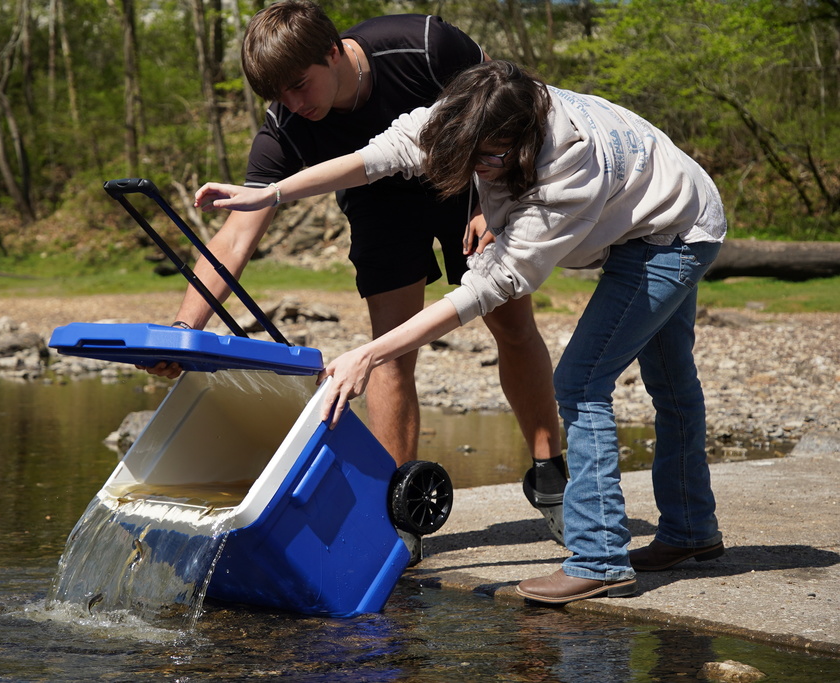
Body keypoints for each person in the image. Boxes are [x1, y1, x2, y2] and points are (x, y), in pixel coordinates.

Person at [192, 60, 728, 604]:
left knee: (583, 381)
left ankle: (599, 557)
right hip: (656, 204)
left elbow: (481, 292)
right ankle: (691, 532)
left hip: (673, 231)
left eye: (489, 161)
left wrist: (371, 354)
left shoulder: (570, 165)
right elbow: (373, 159)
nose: (477, 169)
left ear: (520, 147)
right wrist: (273, 194)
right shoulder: (469, 112)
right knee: (671, 382)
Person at [145, 2, 567, 539]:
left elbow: (520, 107)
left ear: (334, 51)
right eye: (280, 97)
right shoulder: (288, 124)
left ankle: (551, 475)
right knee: (389, 348)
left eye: (301, 85)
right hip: (379, 204)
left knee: (510, 324)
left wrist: (502, 197)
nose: (294, 104)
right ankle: (398, 521)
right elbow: (235, 234)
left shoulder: (424, 46)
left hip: (469, 185)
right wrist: (185, 332)